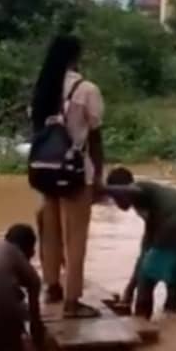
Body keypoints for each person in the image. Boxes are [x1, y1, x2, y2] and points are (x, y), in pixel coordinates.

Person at [30, 34, 106, 319]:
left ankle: (52, 287)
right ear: (76, 57)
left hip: (46, 170)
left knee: (50, 232)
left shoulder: (43, 89)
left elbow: (37, 132)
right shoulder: (86, 90)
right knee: (76, 238)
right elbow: (95, 137)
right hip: (75, 172)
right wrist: (98, 174)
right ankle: (73, 302)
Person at [105, 167, 176, 318]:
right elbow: (146, 248)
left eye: (115, 196)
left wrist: (99, 189)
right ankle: (171, 321)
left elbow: (144, 256)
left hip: (174, 228)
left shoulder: (139, 189)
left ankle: (141, 322)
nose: (115, 202)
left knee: (146, 280)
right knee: (174, 279)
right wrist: (128, 292)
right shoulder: (153, 200)